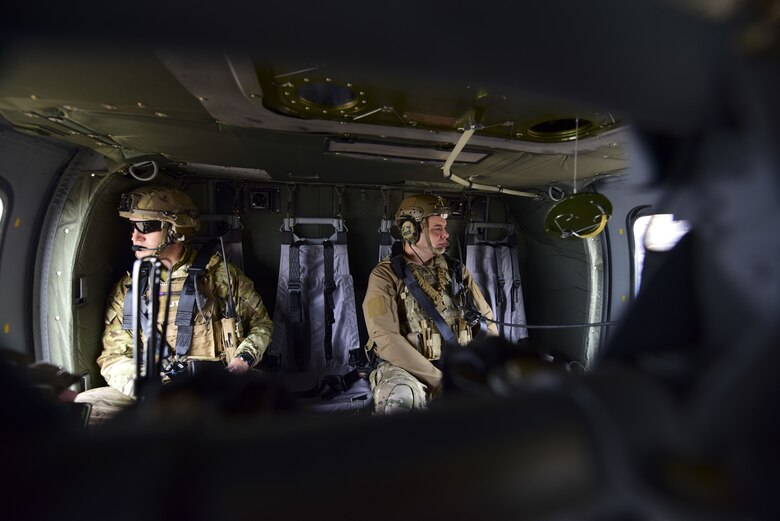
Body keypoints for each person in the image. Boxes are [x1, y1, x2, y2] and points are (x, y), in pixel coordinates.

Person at [75, 186, 273, 424]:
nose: (135, 237)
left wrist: (241, 361)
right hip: (155, 389)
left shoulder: (220, 275)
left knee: (268, 404)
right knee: (86, 405)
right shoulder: (129, 287)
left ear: (175, 230)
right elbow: (113, 357)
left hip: (214, 385)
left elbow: (261, 325)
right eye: (133, 227)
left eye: (147, 227)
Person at [362, 193, 498, 414]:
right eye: (437, 229)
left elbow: (487, 322)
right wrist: (440, 381)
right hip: (408, 369)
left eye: (445, 228)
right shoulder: (384, 276)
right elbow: (386, 338)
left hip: (459, 365)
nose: (446, 234)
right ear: (410, 230)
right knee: (400, 398)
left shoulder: (457, 271)